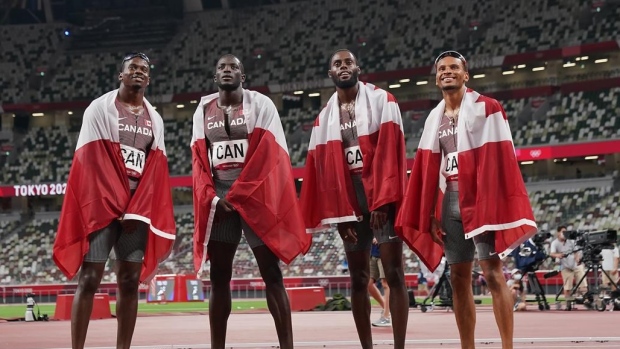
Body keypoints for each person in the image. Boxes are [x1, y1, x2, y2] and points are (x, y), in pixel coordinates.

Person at [395, 50, 537, 349]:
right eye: (442, 68)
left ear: (465, 74)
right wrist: (433, 212)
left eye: (454, 67)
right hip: (450, 203)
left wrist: (493, 204)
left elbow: (502, 160)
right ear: (436, 77)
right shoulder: (434, 118)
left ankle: (508, 346)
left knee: (492, 272)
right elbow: (431, 169)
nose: (448, 72)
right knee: (459, 277)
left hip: (480, 199)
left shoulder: (488, 108)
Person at [52, 52, 176, 349]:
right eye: (132, 68)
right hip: (103, 208)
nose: (138, 72)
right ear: (121, 75)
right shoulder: (100, 109)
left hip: (136, 212)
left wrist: (137, 209)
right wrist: (118, 204)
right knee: (90, 279)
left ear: (148, 78)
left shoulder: (154, 119)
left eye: (144, 69)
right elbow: (93, 163)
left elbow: (154, 170)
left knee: (129, 282)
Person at [191, 54, 311, 349]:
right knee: (219, 275)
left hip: (256, 196)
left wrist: (240, 193)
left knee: (271, 272)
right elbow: (199, 160)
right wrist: (215, 199)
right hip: (220, 201)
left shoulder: (261, 104)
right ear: (215, 76)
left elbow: (269, 154)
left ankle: (287, 346)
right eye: (222, 67)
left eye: (233, 67)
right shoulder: (203, 109)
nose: (227, 70)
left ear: (242, 76)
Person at [299, 49, 409, 349]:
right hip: (350, 201)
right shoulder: (323, 119)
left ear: (358, 67)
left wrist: (384, 201)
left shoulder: (383, 101)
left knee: (395, 274)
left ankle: (399, 346)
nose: (343, 67)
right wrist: (338, 216)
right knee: (359, 280)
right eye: (337, 64)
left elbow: (391, 151)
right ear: (330, 73)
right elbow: (323, 173)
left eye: (348, 62)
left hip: (382, 197)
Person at [549, 225, 587, 309]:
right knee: (567, 287)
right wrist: (558, 255)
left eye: (565, 232)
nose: (564, 234)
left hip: (576, 265)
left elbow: (576, 252)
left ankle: (587, 301)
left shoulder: (571, 241)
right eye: (562, 232)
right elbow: (552, 253)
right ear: (558, 233)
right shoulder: (555, 243)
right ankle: (568, 303)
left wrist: (578, 260)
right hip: (566, 267)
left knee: (583, 285)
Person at [368, 238, 390, 326]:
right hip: (373, 253)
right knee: (368, 283)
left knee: (385, 283)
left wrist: (378, 236)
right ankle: (386, 309)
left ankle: (386, 316)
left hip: (384, 252)